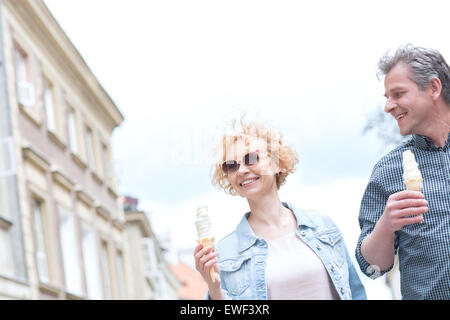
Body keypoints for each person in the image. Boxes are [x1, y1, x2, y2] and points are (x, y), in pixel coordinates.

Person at [194, 118, 366, 300]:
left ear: (277, 163)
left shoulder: (323, 226)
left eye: (251, 158)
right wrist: (215, 291)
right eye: (231, 165)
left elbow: (356, 294)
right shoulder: (226, 252)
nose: (242, 170)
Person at [356, 44, 450, 299]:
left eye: (397, 94)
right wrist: (386, 225)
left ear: (433, 87)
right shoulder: (387, 171)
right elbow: (372, 269)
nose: (388, 106)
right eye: (387, 97)